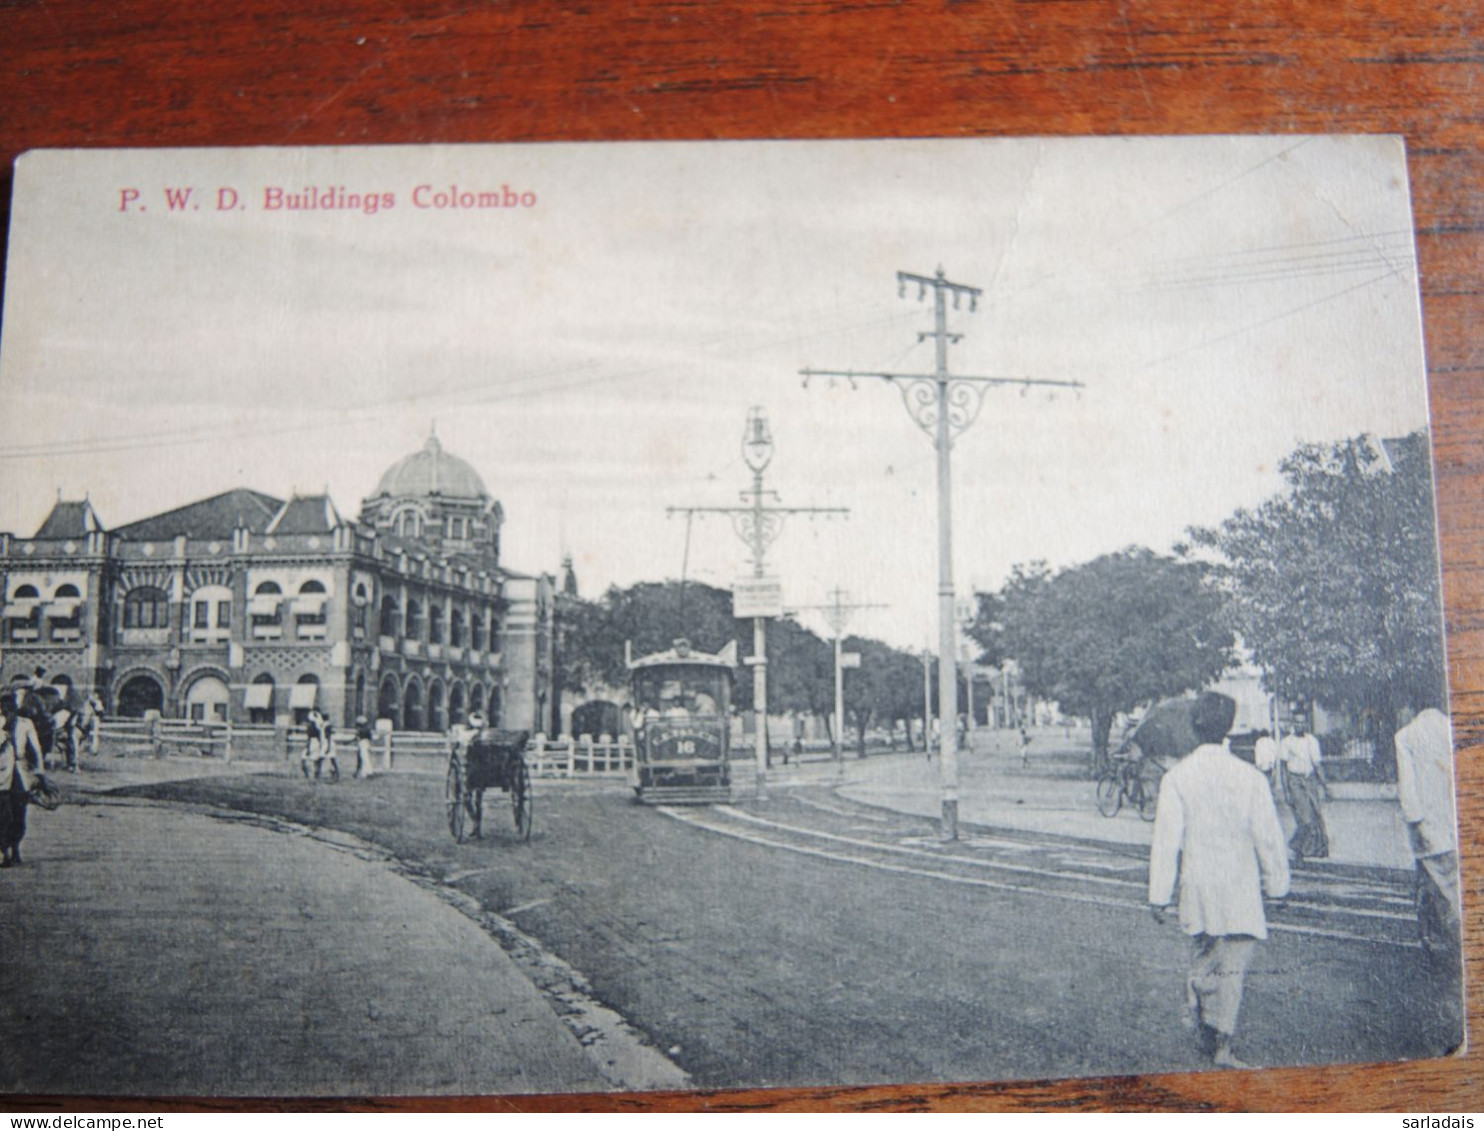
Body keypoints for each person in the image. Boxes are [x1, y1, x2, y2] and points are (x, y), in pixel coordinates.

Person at [1149, 691, 1290, 1070]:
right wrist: (1278, 885)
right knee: (1233, 970)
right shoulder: (1250, 778)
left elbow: (1167, 841)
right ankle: (1222, 1045)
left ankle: (1199, 997)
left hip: (1198, 888)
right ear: (1229, 727)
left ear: (1195, 726)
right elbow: (1269, 837)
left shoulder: (1177, 777)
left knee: (1207, 958)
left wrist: (1159, 895)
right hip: (1240, 887)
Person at [1394, 701, 1460, 958]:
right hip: (1452, 821)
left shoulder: (1405, 736)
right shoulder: (1450, 727)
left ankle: (1435, 936)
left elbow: (1407, 787)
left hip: (1427, 826)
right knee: (1452, 882)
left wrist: (1415, 821)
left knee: (1433, 883)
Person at [1281, 717, 1330, 860]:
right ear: (1292, 724)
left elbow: (1318, 765)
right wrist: (1286, 791)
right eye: (1297, 722)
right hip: (1294, 781)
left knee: (1316, 815)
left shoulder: (1312, 741)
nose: (1300, 724)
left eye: (1303, 721)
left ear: (1306, 723)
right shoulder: (1286, 742)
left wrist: (1325, 786)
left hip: (1310, 780)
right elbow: (1284, 769)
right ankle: (1296, 845)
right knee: (1305, 818)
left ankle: (1310, 850)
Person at [354, 715, 375, 779]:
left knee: (364, 758)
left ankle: (369, 772)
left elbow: (357, 737)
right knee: (365, 758)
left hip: (362, 743)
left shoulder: (361, 730)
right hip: (366, 743)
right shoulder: (368, 730)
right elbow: (370, 737)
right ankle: (364, 772)